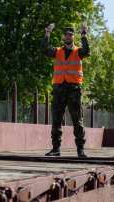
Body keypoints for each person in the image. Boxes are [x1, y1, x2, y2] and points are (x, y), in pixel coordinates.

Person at [40, 23, 90, 157]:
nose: (68, 36)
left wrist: (84, 34)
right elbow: (43, 51)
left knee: (77, 120)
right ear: (63, 37)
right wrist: (47, 34)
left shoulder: (79, 51)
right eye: (66, 34)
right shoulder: (57, 51)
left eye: (70, 35)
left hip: (74, 90)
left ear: (74, 37)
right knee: (56, 120)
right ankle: (56, 148)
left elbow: (87, 51)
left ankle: (80, 149)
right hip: (58, 90)